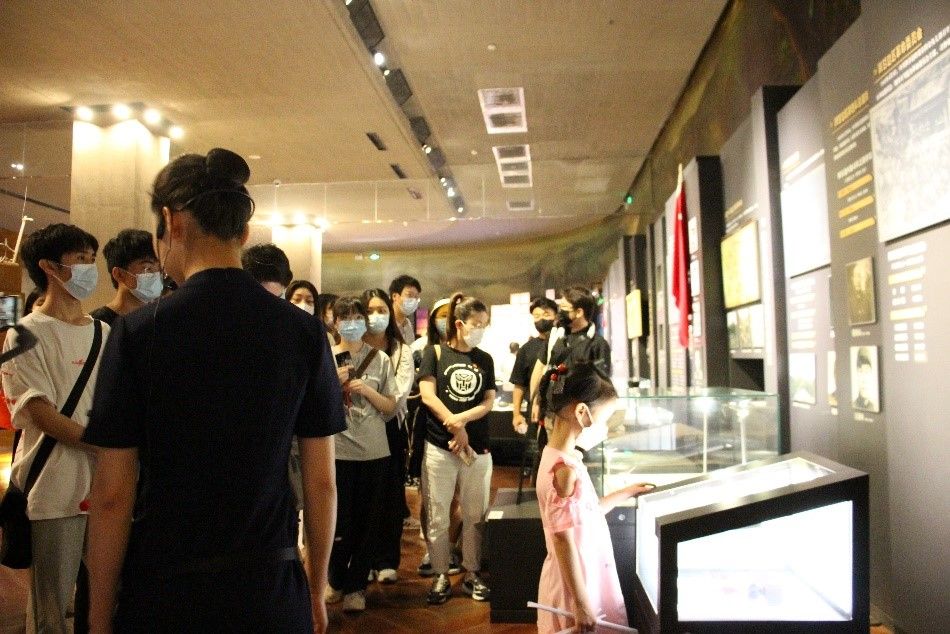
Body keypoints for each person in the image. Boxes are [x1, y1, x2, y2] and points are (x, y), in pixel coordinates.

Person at [83, 148, 345, 633]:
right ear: (243, 233)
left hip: (166, 591)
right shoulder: (302, 331)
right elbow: (322, 483)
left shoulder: (138, 332)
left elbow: (112, 494)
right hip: (270, 585)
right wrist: (314, 589)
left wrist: (99, 617)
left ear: (171, 222)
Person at [1, 222, 108, 633]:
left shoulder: (103, 332)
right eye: (80, 259)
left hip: (105, 488)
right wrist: (104, 443)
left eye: (91, 259)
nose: (88, 268)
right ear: (49, 267)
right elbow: (39, 412)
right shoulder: (24, 334)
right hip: (53, 487)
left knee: (101, 602)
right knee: (51, 610)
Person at [535, 361, 653, 633]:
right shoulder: (563, 471)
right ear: (581, 412)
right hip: (577, 583)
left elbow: (586, 513)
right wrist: (581, 603)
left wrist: (627, 491)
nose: (604, 427)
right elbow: (562, 538)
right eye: (604, 419)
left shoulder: (561, 457)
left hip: (585, 574)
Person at [419, 293, 495, 605]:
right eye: (476, 324)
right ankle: (440, 573)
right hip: (440, 445)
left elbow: (488, 401)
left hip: (477, 448)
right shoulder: (435, 353)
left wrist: (462, 421)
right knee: (438, 512)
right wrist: (454, 426)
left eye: (485, 324)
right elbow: (428, 395)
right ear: (460, 324)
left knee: (475, 513)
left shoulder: (484, 359)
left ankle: (472, 572)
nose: (481, 330)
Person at [326, 296, 398, 612]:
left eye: (358, 317)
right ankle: (336, 579)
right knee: (338, 521)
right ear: (335, 322)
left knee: (368, 523)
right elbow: (314, 404)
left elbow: (390, 407)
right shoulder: (326, 357)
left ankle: (357, 587)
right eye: (346, 318)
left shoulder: (379, 359)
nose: (352, 323)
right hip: (338, 451)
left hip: (373, 452)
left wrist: (366, 390)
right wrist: (334, 385)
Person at [361, 288, 414, 584]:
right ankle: (362, 561)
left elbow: (399, 396)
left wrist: (376, 409)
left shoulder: (401, 351)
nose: (375, 316)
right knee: (361, 497)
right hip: (355, 431)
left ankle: (386, 559)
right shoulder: (351, 347)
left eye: (381, 310)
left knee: (390, 495)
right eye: (369, 310)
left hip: (389, 428)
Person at [90, 229, 161, 325]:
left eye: (160, 269)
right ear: (119, 274)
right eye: (147, 268)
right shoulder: (97, 324)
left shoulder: (160, 320)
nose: (156, 275)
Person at [510, 297, 558, 434]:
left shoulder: (563, 343)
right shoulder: (526, 349)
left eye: (546, 314)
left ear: (556, 316)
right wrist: (516, 414)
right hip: (536, 412)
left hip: (561, 410)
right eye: (536, 316)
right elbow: (519, 384)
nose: (541, 319)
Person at [389, 274, 422, 345]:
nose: (413, 300)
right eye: (409, 295)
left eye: (416, 297)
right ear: (394, 296)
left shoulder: (408, 324)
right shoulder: (386, 323)